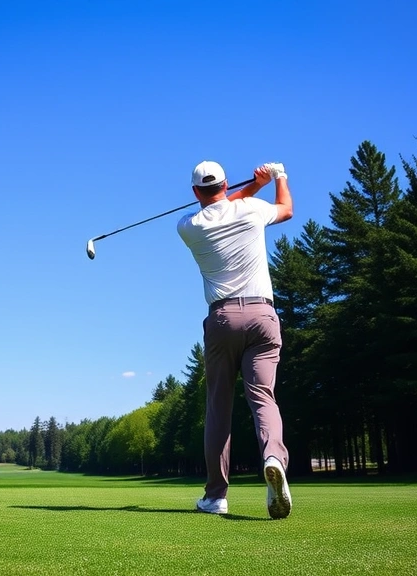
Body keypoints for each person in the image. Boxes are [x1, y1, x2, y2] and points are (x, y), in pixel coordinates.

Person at [177, 160, 294, 519]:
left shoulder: (188, 226)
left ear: (195, 192)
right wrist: (276, 177)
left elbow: (219, 205)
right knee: (263, 398)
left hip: (222, 319)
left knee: (219, 408)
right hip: (262, 315)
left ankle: (216, 497)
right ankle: (273, 457)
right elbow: (286, 210)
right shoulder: (251, 210)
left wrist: (251, 187)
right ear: (226, 183)